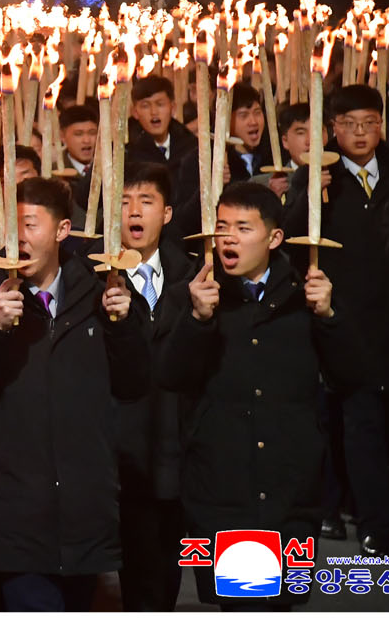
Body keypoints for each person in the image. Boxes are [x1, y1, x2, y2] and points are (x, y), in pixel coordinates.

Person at [0, 176, 148, 612]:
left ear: (61, 231)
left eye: (32, 225)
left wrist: (124, 324)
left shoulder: (103, 293)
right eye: (12, 225)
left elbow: (134, 384)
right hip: (14, 506)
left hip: (84, 505)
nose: (19, 238)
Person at [161, 181, 352, 610]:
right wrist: (196, 319)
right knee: (244, 606)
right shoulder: (196, 294)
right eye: (222, 226)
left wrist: (329, 317)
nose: (229, 237)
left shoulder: (306, 295)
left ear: (274, 237)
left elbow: (349, 377)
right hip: (226, 490)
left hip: (291, 485)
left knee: (280, 607)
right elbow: (172, 376)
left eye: (243, 228)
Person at [283, 84, 389, 555]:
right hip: (337, 314)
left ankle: (356, 506)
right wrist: (308, 196)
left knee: (384, 417)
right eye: (350, 124)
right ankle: (374, 523)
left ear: (382, 125)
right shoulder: (316, 174)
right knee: (355, 419)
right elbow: (291, 236)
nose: (360, 133)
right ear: (333, 128)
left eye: (369, 123)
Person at [113, 162, 195, 612]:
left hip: (176, 443)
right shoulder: (96, 279)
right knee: (136, 575)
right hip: (123, 449)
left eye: (145, 201)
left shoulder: (194, 275)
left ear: (166, 213)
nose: (133, 212)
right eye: (124, 202)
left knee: (168, 570)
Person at [58, 104, 98, 176]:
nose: (86, 140)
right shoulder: (55, 172)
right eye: (78, 134)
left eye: (92, 133)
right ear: (62, 136)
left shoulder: (110, 168)